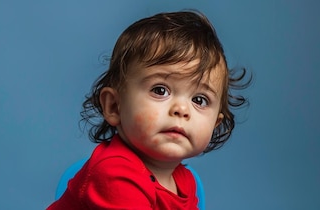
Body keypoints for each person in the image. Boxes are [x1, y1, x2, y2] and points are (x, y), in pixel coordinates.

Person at [48, 10, 250, 210]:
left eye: (200, 99)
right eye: (160, 90)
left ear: (215, 124)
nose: (181, 109)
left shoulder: (185, 180)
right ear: (114, 106)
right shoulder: (114, 174)